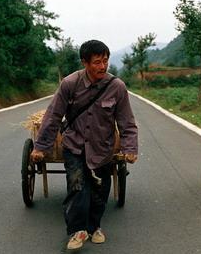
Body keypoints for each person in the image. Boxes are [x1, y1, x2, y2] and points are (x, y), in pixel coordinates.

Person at [30, 39, 138, 250]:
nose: (102, 66)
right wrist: (40, 147)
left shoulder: (116, 87)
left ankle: (94, 226)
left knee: (99, 192)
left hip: (102, 149)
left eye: (105, 61)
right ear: (85, 63)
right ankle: (77, 231)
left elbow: (126, 121)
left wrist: (130, 148)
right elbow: (53, 117)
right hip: (75, 146)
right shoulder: (70, 84)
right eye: (97, 62)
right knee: (77, 187)